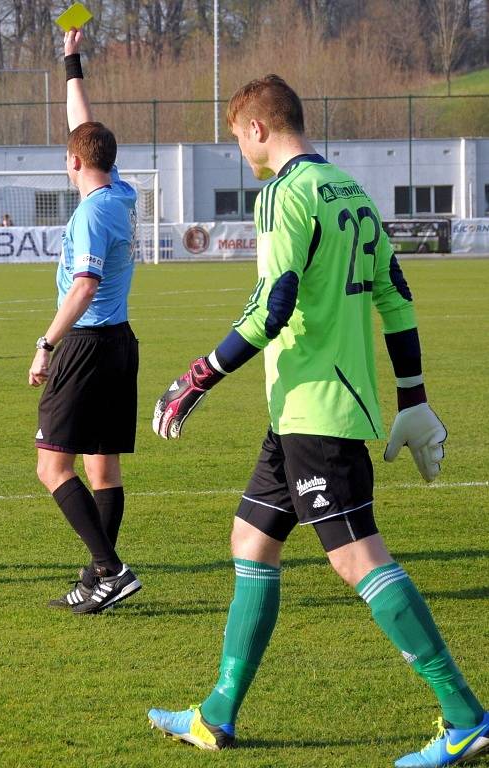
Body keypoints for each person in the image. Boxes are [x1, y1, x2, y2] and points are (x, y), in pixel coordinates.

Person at [147, 76, 487, 767]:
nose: (240, 151)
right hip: (306, 411)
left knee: (358, 558)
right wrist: (412, 396)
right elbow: (397, 297)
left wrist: (198, 377)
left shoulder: (283, 193)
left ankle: (464, 715)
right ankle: (217, 716)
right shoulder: (351, 190)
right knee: (251, 540)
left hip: (317, 412)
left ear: (257, 129)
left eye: (237, 137)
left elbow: (272, 308)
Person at [27, 27, 141, 615]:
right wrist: (71, 61)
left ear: (74, 162)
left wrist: (46, 343)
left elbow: (84, 286)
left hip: (88, 342)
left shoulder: (94, 215)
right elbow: (85, 127)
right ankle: (101, 577)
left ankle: (110, 569)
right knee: (103, 465)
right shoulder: (120, 190)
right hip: (120, 342)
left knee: (53, 465)